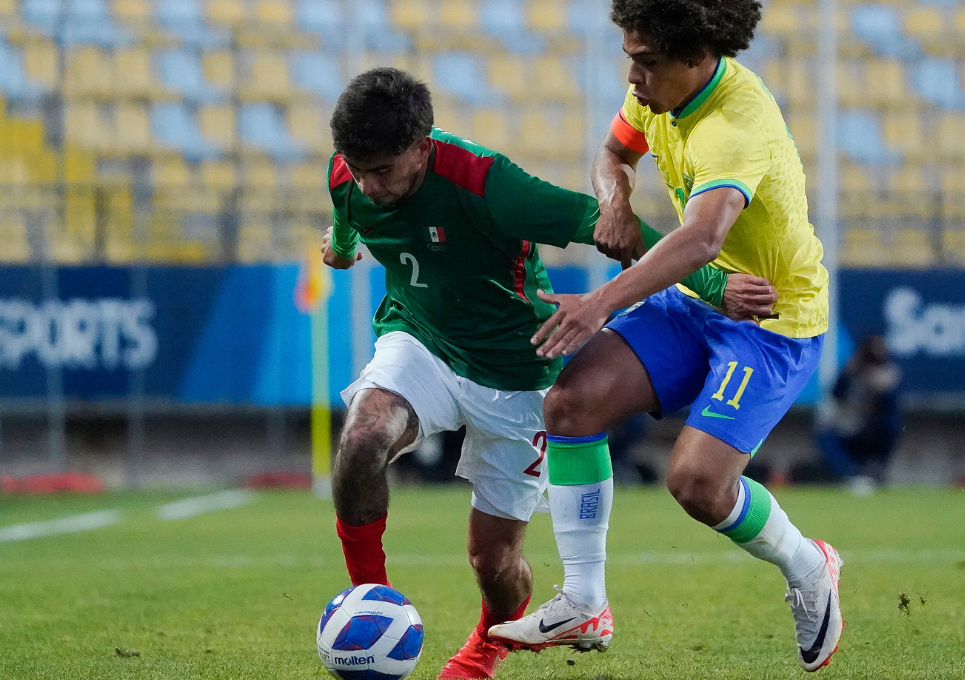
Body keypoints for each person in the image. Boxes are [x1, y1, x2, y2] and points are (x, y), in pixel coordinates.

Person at [322, 68, 775, 680]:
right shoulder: (348, 174)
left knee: (493, 560)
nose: (369, 185)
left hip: (518, 373)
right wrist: (343, 248)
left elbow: (610, 226)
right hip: (421, 341)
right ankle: (371, 602)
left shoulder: (489, 185)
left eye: (383, 171)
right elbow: (348, 216)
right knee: (362, 436)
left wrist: (715, 284)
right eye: (359, 169)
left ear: (423, 145)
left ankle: (486, 644)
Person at [489, 0, 845, 672]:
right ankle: (584, 601)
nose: (632, 76)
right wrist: (615, 198)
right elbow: (609, 154)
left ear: (696, 56)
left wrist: (600, 303)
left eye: (645, 61)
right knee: (570, 401)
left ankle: (809, 564)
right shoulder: (659, 96)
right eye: (629, 55)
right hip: (696, 304)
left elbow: (703, 237)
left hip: (769, 324)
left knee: (696, 485)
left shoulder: (735, 124)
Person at [815, 335, 902, 487]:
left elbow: (893, 409)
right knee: (824, 435)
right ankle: (850, 475)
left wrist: (883, 390)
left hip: (872, 430)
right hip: (848, 428)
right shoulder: (852, 370)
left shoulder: (889, 373)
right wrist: (851, 372)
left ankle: (876, 469)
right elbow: (836, 393)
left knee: (892, 425)